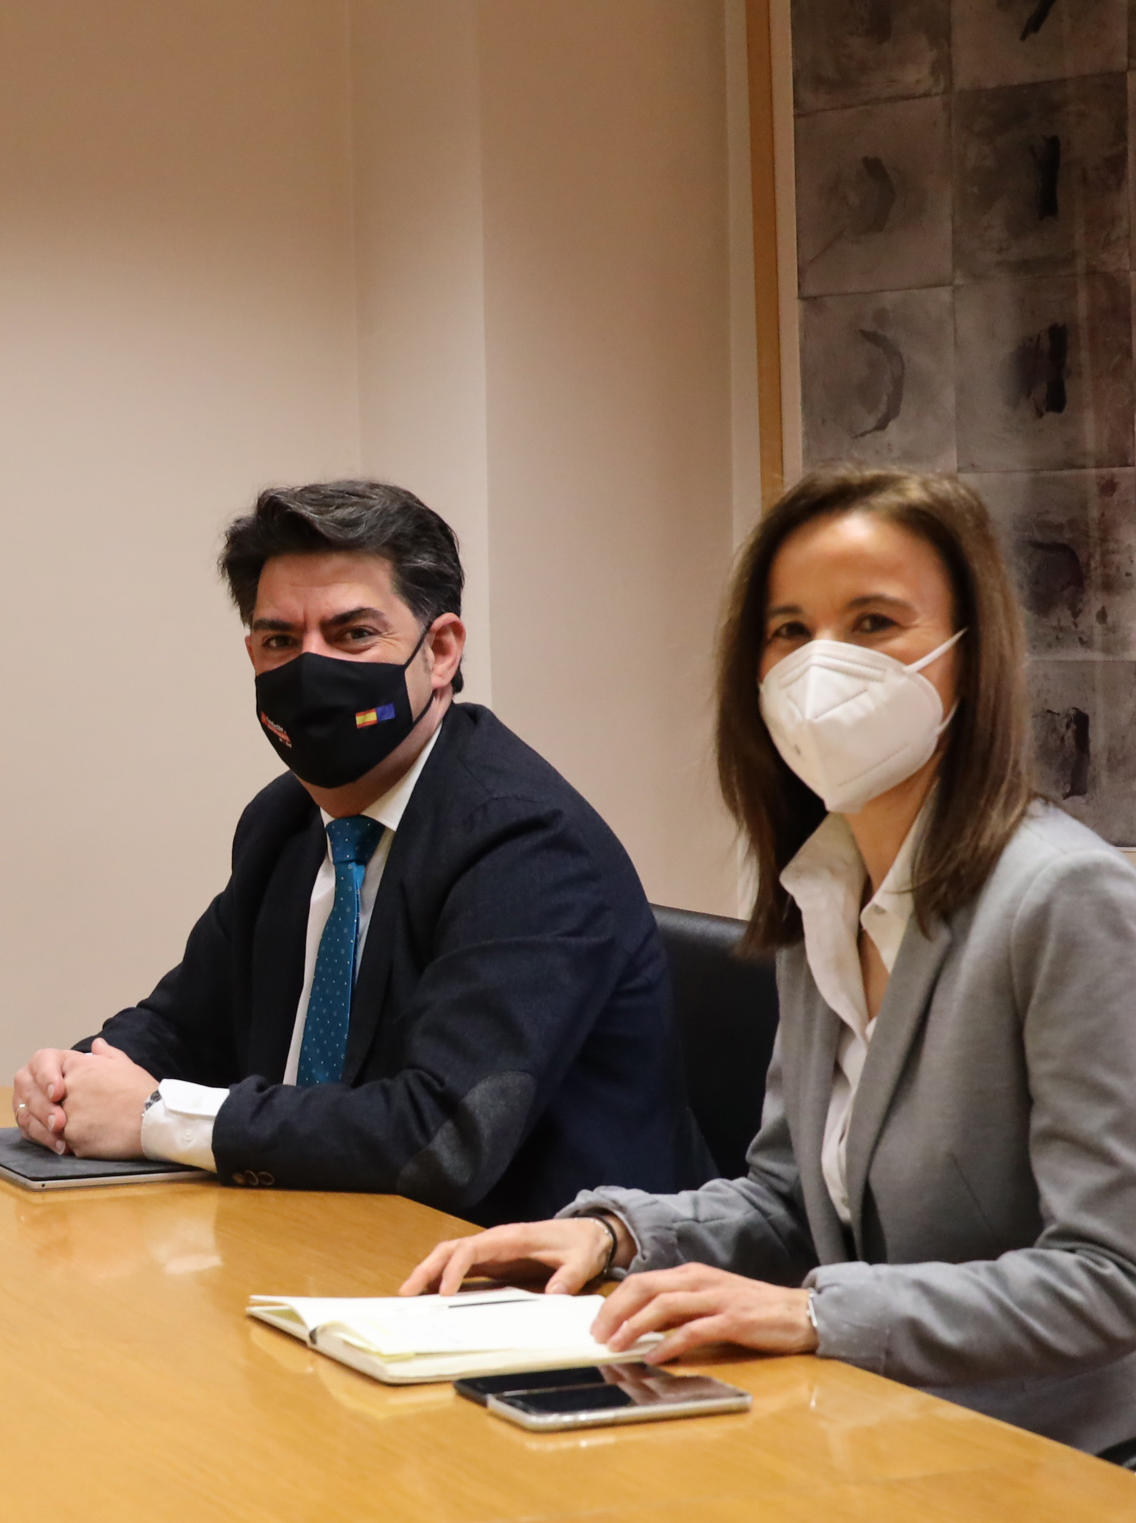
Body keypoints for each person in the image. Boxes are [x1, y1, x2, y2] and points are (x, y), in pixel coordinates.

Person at [401, 469, 1136, 1456]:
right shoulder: (825, 889)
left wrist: (814, 1313)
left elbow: (1110, 1275)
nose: (821, 664)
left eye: (873, 622)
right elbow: (790, 1201)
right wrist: (613, 1234)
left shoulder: (1064, 898)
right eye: (790, 630)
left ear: (973, 654)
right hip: (875, 1433)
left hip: (1050, 1466)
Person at [14, 480, 689, 1223]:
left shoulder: (526, 843)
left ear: (440, 650)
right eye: (280, 641)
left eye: (353, 635)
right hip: (317, 1238)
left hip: (531, 1269)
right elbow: (183, 1028)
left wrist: (154, 1118)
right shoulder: (286, 821)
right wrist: (72, 1080)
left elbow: (441, 1137)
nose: (311, 670)